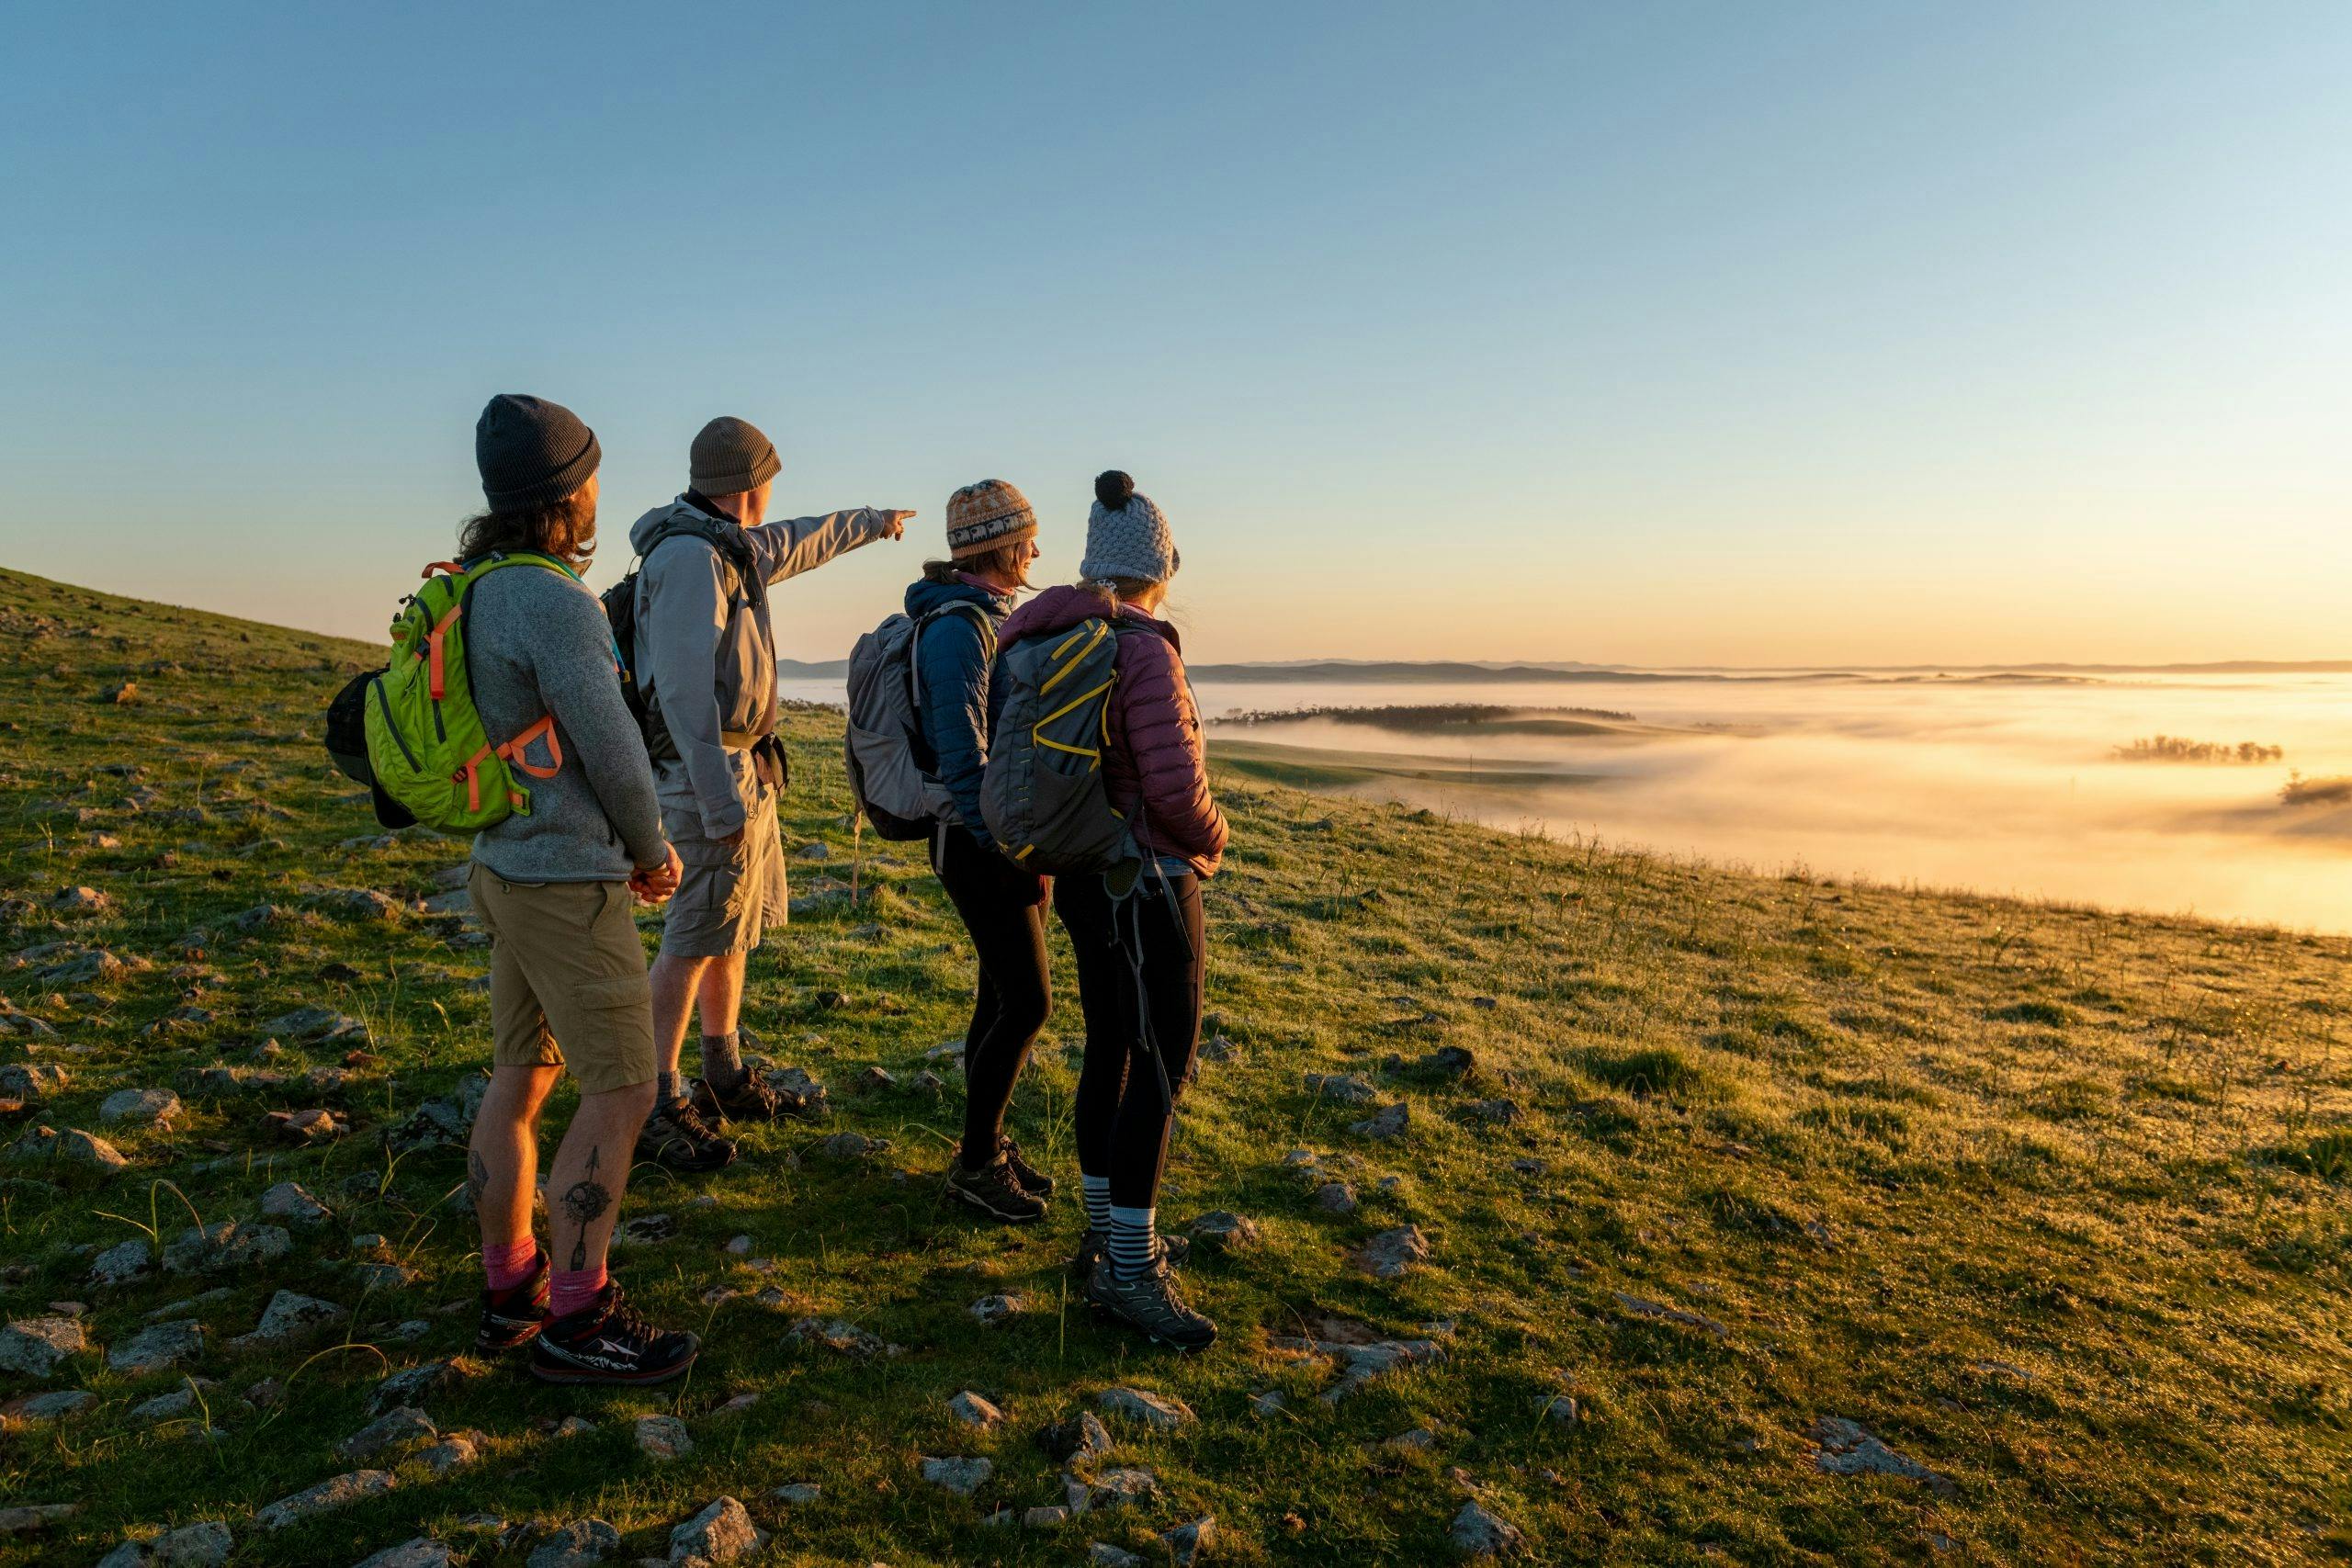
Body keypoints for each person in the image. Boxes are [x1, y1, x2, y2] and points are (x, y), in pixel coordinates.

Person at [457, 393, 698, 1384]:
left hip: (504, 867)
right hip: (565, 878)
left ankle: (510, 1286)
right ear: (565, 493)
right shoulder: (556, 601)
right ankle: (580, 1316)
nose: (600, 488)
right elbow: (614, 748)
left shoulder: (475, 587)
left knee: (520, 1076)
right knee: (626, 1087)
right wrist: (651, 849)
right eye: (590, 473)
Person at [626, 416, 913, 1171]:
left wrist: (874, 522)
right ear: (750, 484)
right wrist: (718, 800)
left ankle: (721, 1072)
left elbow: (804, 539)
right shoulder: (690, 558)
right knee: (692, 937)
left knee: (731, 927)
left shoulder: (729, 544)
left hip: (738, 769)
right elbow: (683, 693)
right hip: (707, 776)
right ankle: (656, 1101)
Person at [994, 471, 1228, 1349]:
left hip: (1087, 875)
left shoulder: (1053, 633)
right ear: (1159, 566)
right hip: (1152, 880)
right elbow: (1174, 788)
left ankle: (1104, 1235)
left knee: (1112, 1047)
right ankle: (1132, 1271)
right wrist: (1218, 834)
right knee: (1160, 1065)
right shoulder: (1145, 651)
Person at [910, 480, 1056, 1223]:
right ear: (1000, 546)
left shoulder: (989, 617)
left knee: (999, 996)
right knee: (1029, 1001)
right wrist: (1007, 851)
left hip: (1000, 839)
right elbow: (962, 758)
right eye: (1027, 538)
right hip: (978, 843)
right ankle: (975, 1164)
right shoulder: (959, 630)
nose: (1036, 550)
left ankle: (986, 1142)